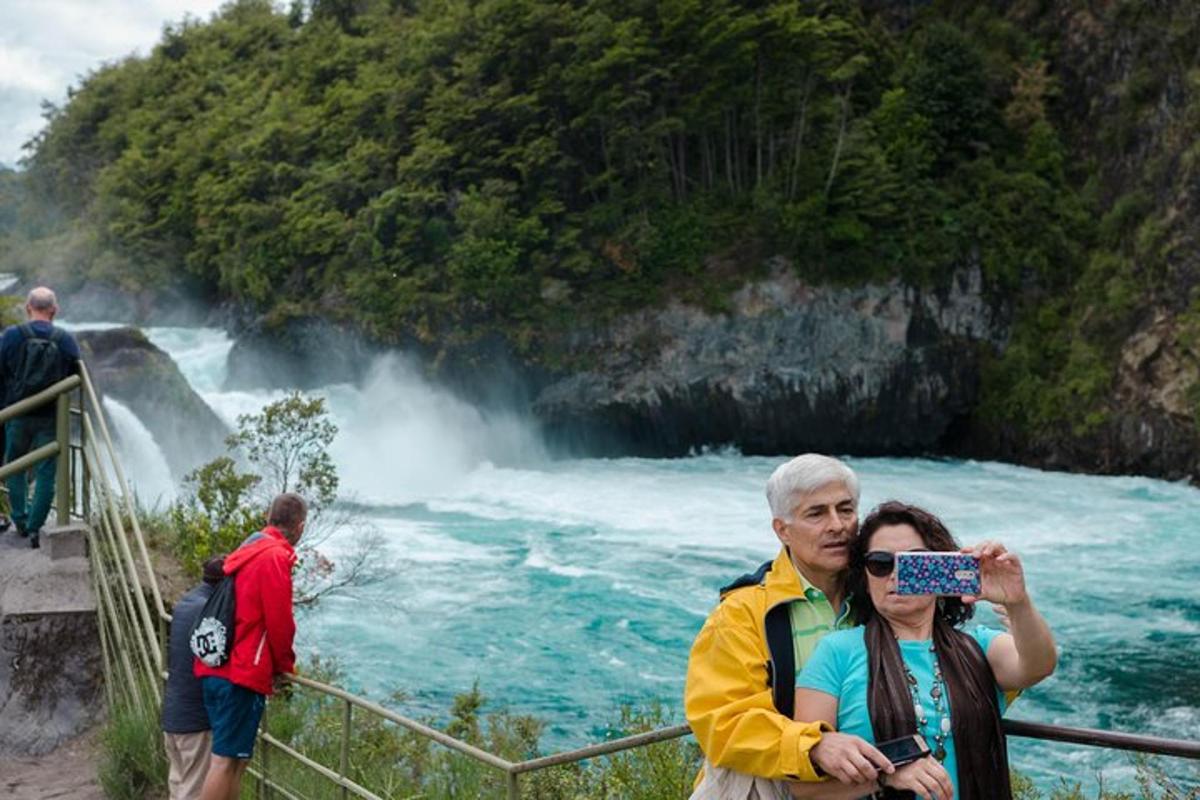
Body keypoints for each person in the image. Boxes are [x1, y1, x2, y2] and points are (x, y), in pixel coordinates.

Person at [793, 502, 1057, 800]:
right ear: (863, 577)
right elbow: (801, 786)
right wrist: (885, 778)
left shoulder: (977, 646)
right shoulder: (836, 652)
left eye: (913, 562)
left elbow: (1038, 665)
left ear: (941, 567)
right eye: (880, 563)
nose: (895, 574)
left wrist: (1017, 601)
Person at [684, 454, 893, 798]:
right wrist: (814, 746)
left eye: (846, 509)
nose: (837, 525)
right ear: (782, 530)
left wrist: (1009, 603)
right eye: (816, 513)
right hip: (769, 785)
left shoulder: (883, 592)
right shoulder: (742, 612)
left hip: (866, 782)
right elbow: (723, 721)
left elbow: (943, 666)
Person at [195, 493, 306, 800]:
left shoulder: (248, 547)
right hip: (240, 673)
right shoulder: (272, 557)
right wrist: (284, 665)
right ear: (300, 526)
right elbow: (280, 622)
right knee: (224, 761)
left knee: (236, 761)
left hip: (217, 666)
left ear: (269, 519)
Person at [0, 286, 81, 549]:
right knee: (47, 472)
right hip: (50, 416)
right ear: (54, 310)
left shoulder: (12, 336)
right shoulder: (65, 340)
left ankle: (20, 522)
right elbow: (74, 373)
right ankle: (36, 529)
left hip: (17, 413)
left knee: (16, 465)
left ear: (28, 308)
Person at [163, 556, 226, 800]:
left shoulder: (184, 604)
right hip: (196, 720)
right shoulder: (210, 612)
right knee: (192, 791)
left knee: (178, 785)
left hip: (173, 714)